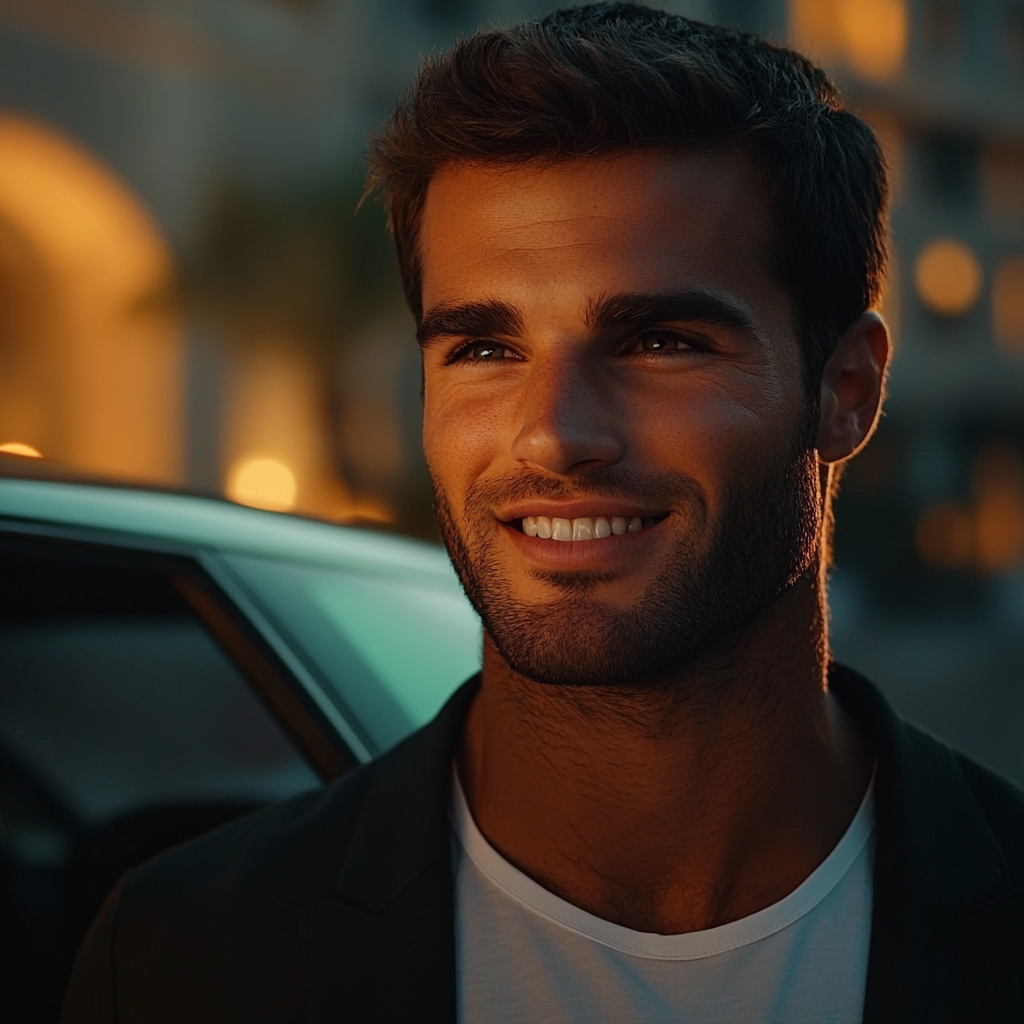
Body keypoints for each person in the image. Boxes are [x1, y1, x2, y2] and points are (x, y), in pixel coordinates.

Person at [63, 5, 1024, 1022]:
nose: (553, 436)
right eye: (483, 349)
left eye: (659, 342)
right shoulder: (187, 956)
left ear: (846, 390)